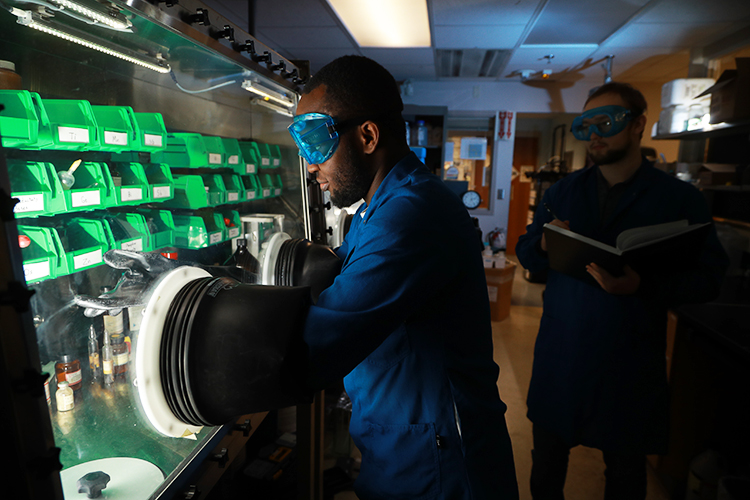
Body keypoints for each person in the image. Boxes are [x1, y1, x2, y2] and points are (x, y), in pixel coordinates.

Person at [290, 55, 519, 499]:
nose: (310, 168)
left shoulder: (411, 214)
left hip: (439, 462)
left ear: (368, 135)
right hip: (402, 442)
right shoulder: (378, 208)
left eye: (316, 144)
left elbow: (319, 342)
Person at [515, 82, 729, 499]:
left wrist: (643, 285)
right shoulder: (562, 192)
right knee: (545, 471)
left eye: (607, 121)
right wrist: (542, 242)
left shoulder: (679, 199)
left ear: (637, 126)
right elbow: (527, 254)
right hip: (563, 355)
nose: (595, 132)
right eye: (586, 123)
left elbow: (709, 277)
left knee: (626, 476)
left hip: (628, 362)